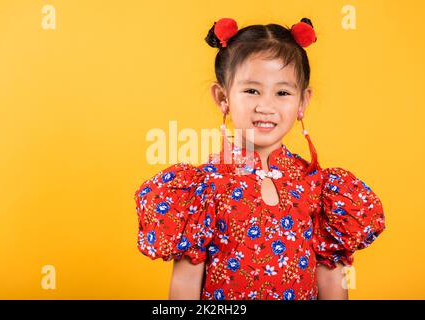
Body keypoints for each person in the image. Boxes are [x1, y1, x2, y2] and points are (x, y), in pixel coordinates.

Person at [134, 17, 386, 300]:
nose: (266, 106)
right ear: (223, 97)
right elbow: (184, 285)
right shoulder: (204, 187)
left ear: (302, 102)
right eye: (252, 90)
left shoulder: (317, 185)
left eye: (282, 92)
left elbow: (330, 276)